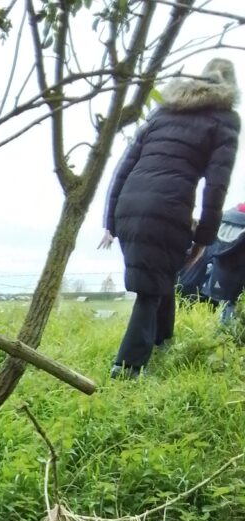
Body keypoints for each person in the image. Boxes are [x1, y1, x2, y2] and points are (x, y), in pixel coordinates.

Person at [100, 58, 241, 378]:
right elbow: (216, 186)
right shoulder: (225, 119)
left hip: (129, 206)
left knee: (159, 277)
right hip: (166, 209)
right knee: (150, 291)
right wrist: (205, 239)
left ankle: (164, 343)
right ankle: (127, 369)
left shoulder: (163, 111)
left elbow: (124, 164)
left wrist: (110, 220)